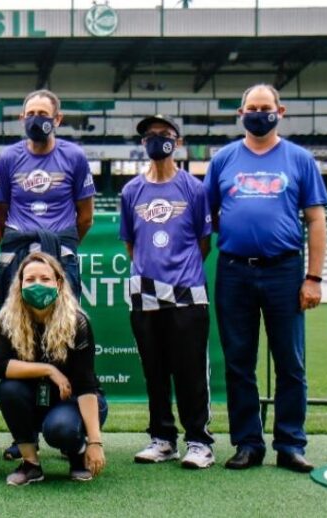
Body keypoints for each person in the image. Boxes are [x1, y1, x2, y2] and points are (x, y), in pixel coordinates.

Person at [205, 84, 327, 473]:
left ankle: (290, 443)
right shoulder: (223, 159)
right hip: (234, 270)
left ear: (280, 110)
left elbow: (315, 219)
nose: (259, 113)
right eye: (252, 108)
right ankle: (247, 443)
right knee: (239, 362)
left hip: (284, 271)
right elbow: (207, 215)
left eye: (265, 107)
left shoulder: (299, 159)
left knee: (290, 361)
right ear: (240, 113)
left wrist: (314, 278)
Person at [0, 90, 96, 461]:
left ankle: (72, 426)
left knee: (64, 335)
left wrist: (59, 251)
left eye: (44, 112)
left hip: (60, 253)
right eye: (31, 113)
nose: (37, 118)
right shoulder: (8, 158)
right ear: (22, 119)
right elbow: (0, 213)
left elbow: (85, 216)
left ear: (58, 118)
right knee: (19, 335)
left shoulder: (74, 156)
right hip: (18, 252)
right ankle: (24, 433)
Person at [120, 114, 216, 469]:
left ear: (177, 142)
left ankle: (199, 441)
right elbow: (132, 243)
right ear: (142, 144)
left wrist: (180, 273)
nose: (156, 139)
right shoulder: (131, 191)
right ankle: (162, 438)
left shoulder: (194, 188)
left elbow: (203, 242)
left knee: (190, 371)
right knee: (154, 370)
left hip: (188, 293)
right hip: (145, 294)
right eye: (149, 135)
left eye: (164, 134)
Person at [0, 252, 107, 485]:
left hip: (73, 401)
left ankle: (77, 453)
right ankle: (31, 464)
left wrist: (95, 442)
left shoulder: (78, 322)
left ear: (59, 283)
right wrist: (48, 370)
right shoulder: (8, 319)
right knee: (9, 390)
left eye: (45, 279)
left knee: (60, 428)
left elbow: (86, 386)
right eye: (30, 279)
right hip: (35, 400)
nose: (37, 285)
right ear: (20, 284)